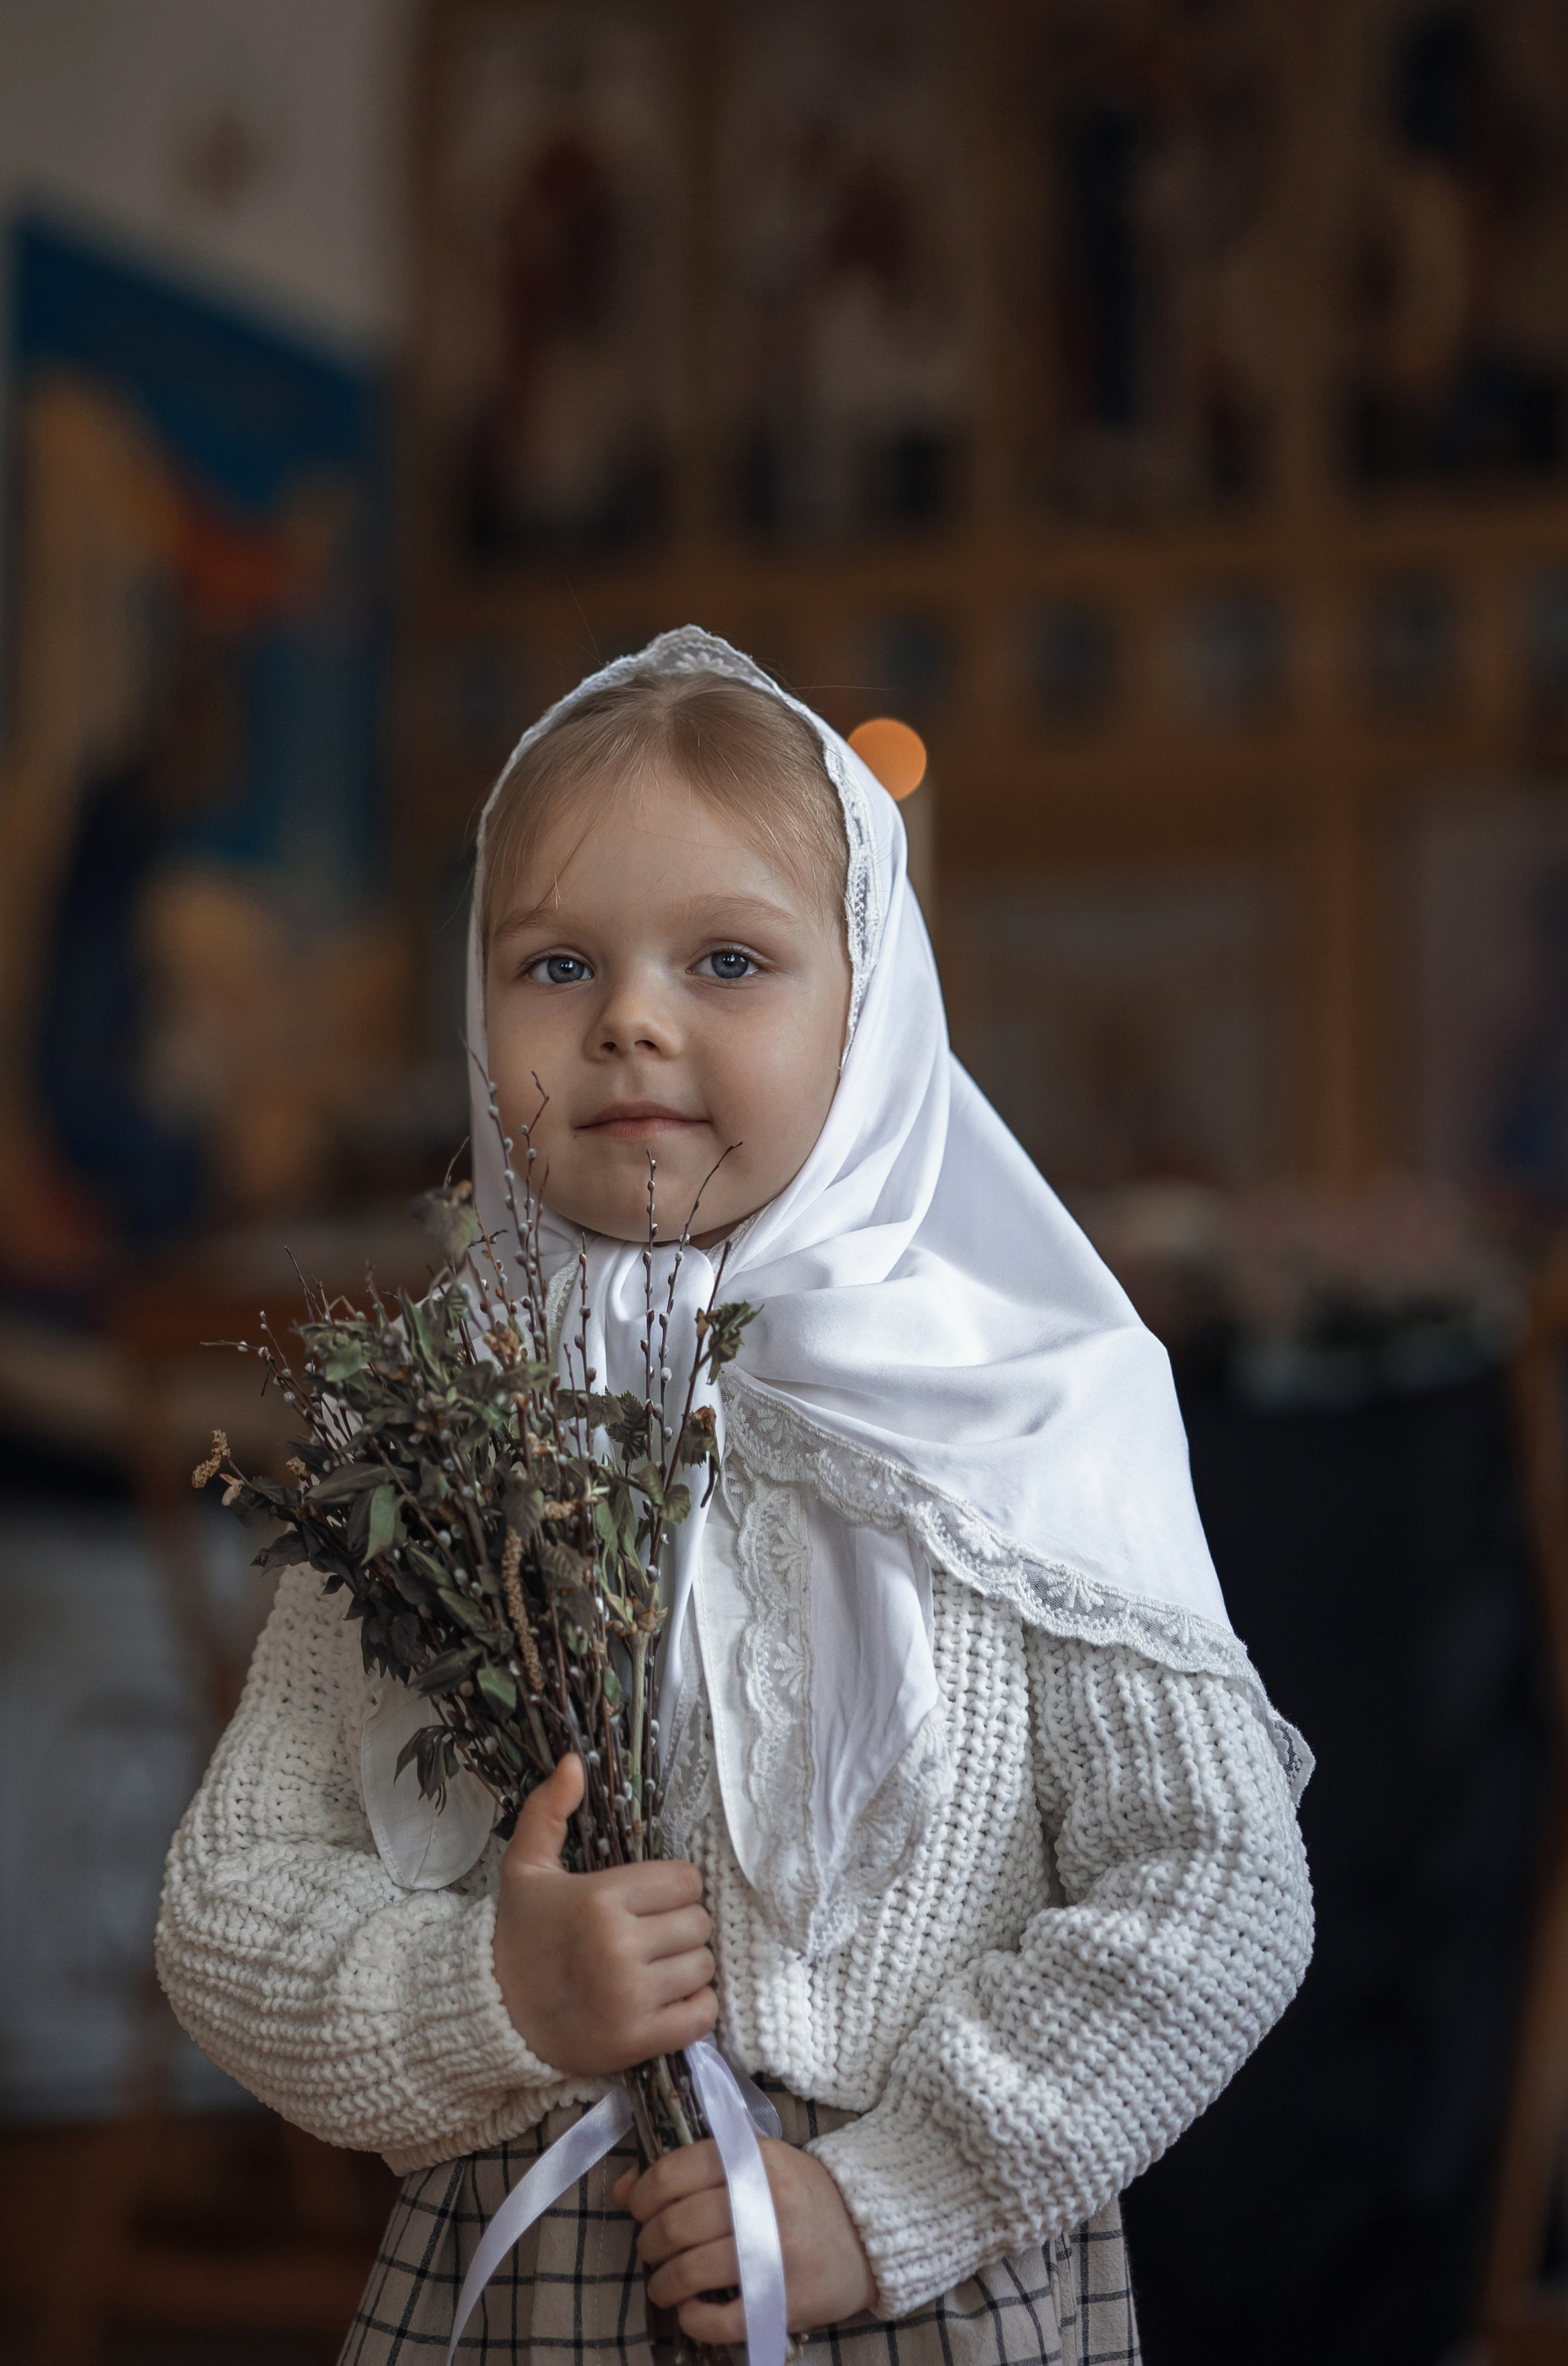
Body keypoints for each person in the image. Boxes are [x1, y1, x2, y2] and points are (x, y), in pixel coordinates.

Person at [157, 626, 1313, 2364]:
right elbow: (231, 1908)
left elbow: (1219, 1882)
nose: (631, 1016)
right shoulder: (445, 1436)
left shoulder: (1030, 1407)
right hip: (535, 2273)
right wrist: (493, 1997)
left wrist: (892, 2194)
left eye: (726, 960)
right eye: (554, 965)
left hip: (924, 2279)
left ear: (874, 1005)